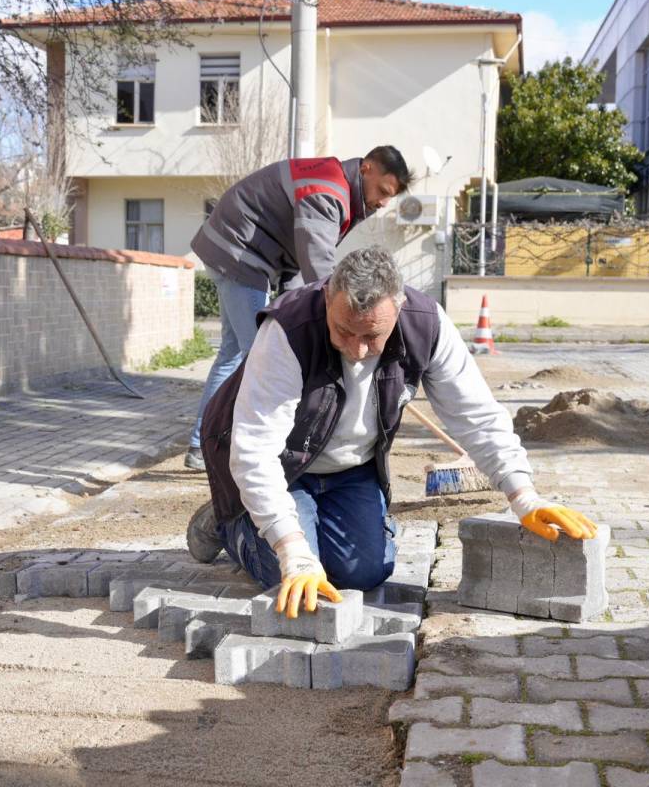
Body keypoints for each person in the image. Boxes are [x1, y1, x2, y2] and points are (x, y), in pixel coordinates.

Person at [189, 246, 597, 618]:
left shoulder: (426, 325)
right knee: (289, 573)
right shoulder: (288, 329)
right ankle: (231, 522)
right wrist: (292, 550)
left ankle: (281, 521)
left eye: (372, 336)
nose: (357, 350)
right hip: (281, 467)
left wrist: (523, 496)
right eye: (344, 331)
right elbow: (255, 451)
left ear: (398, 308)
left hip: (350, 468)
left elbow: (476, 415)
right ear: (327, 297)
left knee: (364, 573)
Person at [183, 146, 413, 471]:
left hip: (242, 250)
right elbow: (318, 266)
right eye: (383, 191)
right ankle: (235, 448)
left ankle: (200, 445)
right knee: (261, 357)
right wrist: (335, 315)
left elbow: (300, 262)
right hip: (239, 252)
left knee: (233, 353)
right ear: (367, 169)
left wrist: (300, 310)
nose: (384, 202)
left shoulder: (335, 184)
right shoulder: (328, 191)